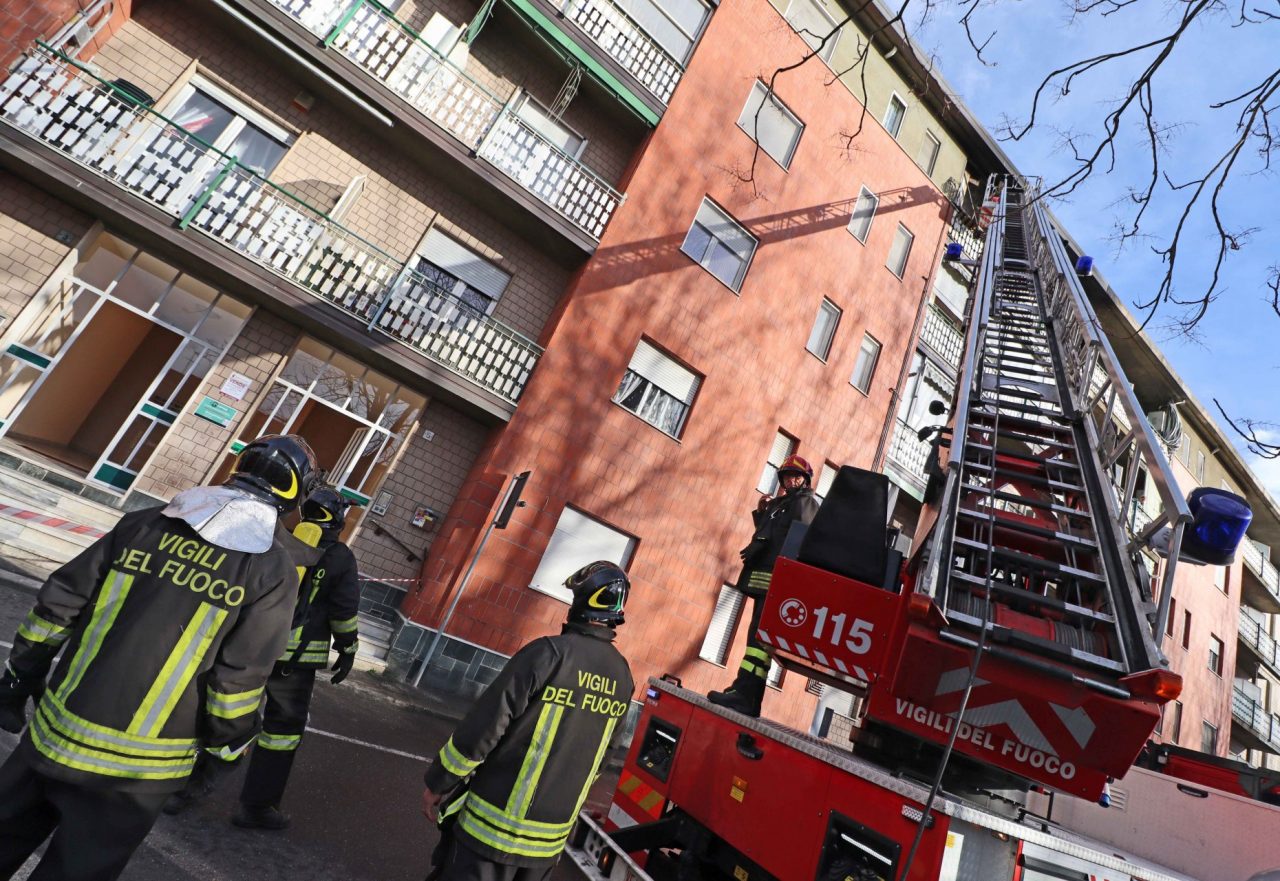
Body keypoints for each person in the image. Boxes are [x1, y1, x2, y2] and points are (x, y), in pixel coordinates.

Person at [0, 434, 319, 881]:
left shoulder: (145, 523)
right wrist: (225, 753)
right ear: (294, 495)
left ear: (238, 467)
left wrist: (18, 680)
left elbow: (56, 608)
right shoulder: (270, 570)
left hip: (54, 737)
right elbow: (237, 684)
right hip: (132, 779)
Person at [421, 561, 635, 881]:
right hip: (545, 847)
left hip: (490, 834)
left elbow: (485, 725)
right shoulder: (622, 676)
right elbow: (605, 755)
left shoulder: (548, 654)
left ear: (583, 601)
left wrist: (440, 782)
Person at [232, 486, 361, 829]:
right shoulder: (340, 558)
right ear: (337, 517)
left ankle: (184, 789)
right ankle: (256, 808)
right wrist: (347, 650)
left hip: (253, 648)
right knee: (282, 732)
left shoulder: (279, 543)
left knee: (225, 713)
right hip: (295, 663)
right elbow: (344, 612)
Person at [708, 454, 821, 717]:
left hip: (777, 583)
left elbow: (797, 542)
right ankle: (744, 693)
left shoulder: (804, 503)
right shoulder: (783, 504)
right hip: (767, 581)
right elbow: (772, 534)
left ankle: (745, 695)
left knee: (759, 639)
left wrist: (789, 582)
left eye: (795, 476)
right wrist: (762, 513)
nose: (790, 480)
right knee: (755, 637)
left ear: (805, 480)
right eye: (786, 477)